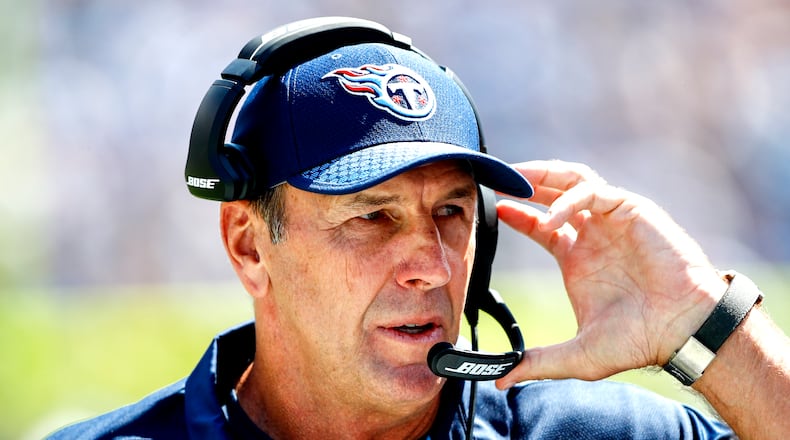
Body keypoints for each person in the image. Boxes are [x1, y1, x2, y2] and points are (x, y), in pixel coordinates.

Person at [50, 17, 790, 439]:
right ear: (249, 245)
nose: (432, 267)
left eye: (451, 213)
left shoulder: (586, 433)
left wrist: (704, 321)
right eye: (371, 216)